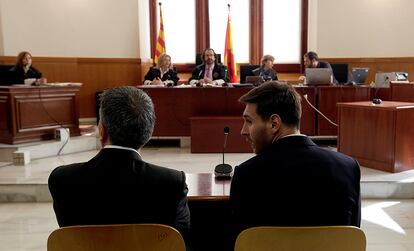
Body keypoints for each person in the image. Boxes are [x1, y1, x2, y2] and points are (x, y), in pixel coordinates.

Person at [48, 86, 190, 235]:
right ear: (148, 133)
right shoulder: (170, 183)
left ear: (102, 131)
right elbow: (180, 240)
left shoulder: (62, 179)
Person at [230, 81, 361, 239]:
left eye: (249, 121)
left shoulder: (247, 174)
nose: (243, 131)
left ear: (274, 124)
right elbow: (352, 235)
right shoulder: (348, 167)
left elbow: (239, 241)